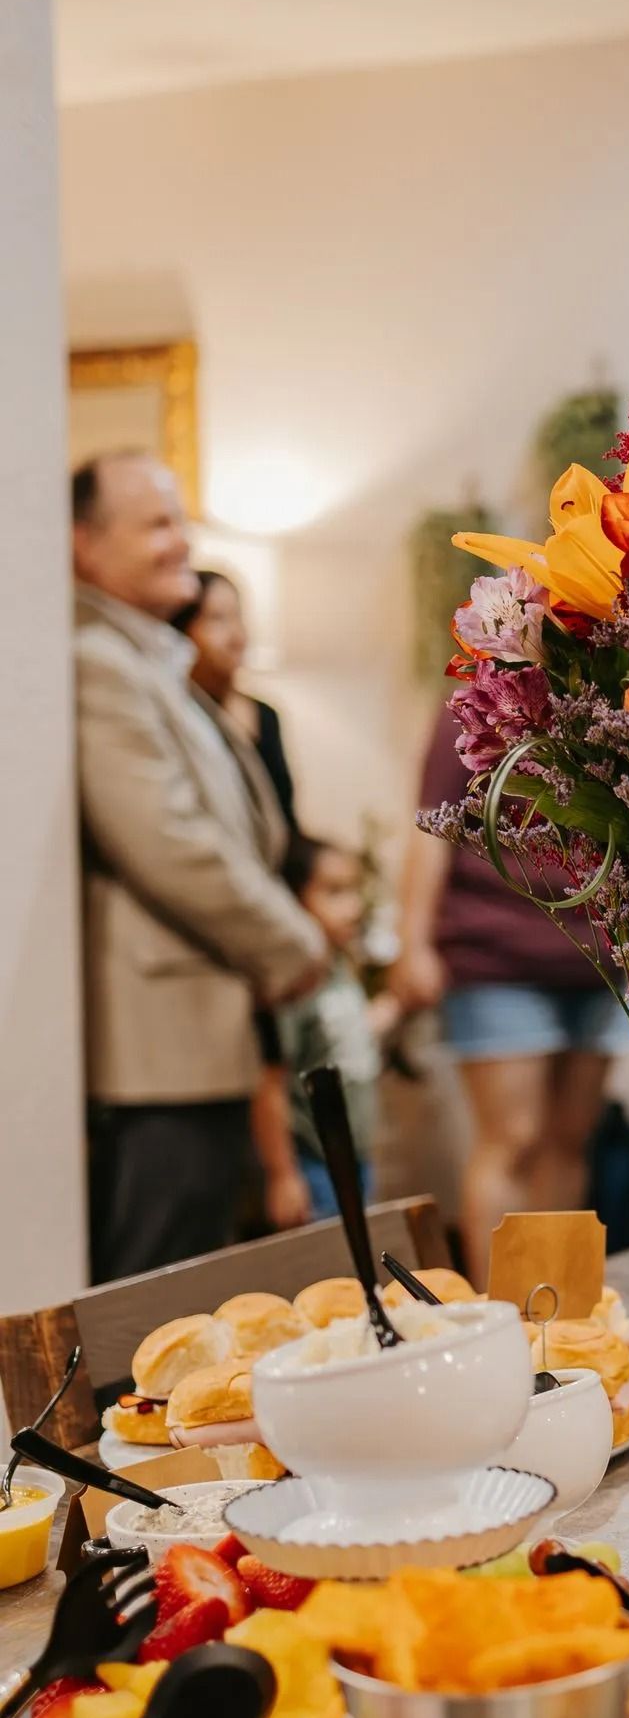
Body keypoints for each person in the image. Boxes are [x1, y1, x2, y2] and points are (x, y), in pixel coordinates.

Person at [72, 450, 327, 1280]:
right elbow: (167, 841)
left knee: (191, 1289)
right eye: (155, 524)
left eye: (179, 521)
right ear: (85, 544)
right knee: (150, 1305)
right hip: (158, 1052)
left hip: (205, 1035)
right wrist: (292, 943)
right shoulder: (96, 663)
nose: (180, 542)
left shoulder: (149, 658)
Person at [390, 702, 629, 1264]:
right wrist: (413, 942)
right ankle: (506, 1318)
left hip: (598, 957)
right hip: (495, 957)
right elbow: (431, 828)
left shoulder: (604, 699)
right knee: (513, 1140)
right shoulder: (469, 712)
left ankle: (559, 1313)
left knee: (570, 1144)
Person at [255, 837, 397, 1227]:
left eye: (354, 891)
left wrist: (398, 1004)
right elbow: (269, 1083)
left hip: (355, 1157)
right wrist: (283, 1174)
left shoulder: (336, 967)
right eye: (334, 892)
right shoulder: (296, 981)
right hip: (314, 1164)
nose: (353, 908)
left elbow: (341, 1039)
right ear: (293, 899)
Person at [171, 569, 299, 839]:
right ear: (183, 631)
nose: (236, 636)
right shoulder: (180, 716)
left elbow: (287, 821)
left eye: (238, 617)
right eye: (217, 619)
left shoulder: (265, 716)